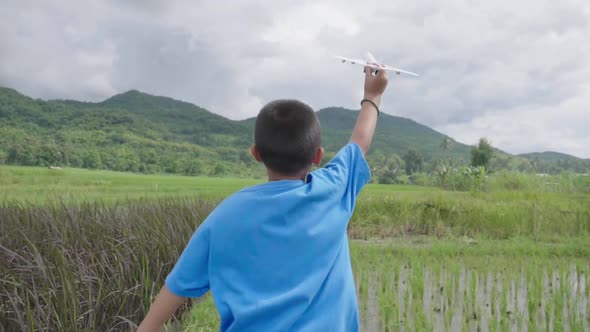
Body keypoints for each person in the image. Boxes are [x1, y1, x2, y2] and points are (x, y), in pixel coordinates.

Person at [138, 66, 389, 331]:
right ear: (318, 156)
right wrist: (372, 95)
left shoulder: (226, 216)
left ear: (256, 154)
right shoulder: (333, 190)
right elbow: (360, 141)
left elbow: (177, 287)